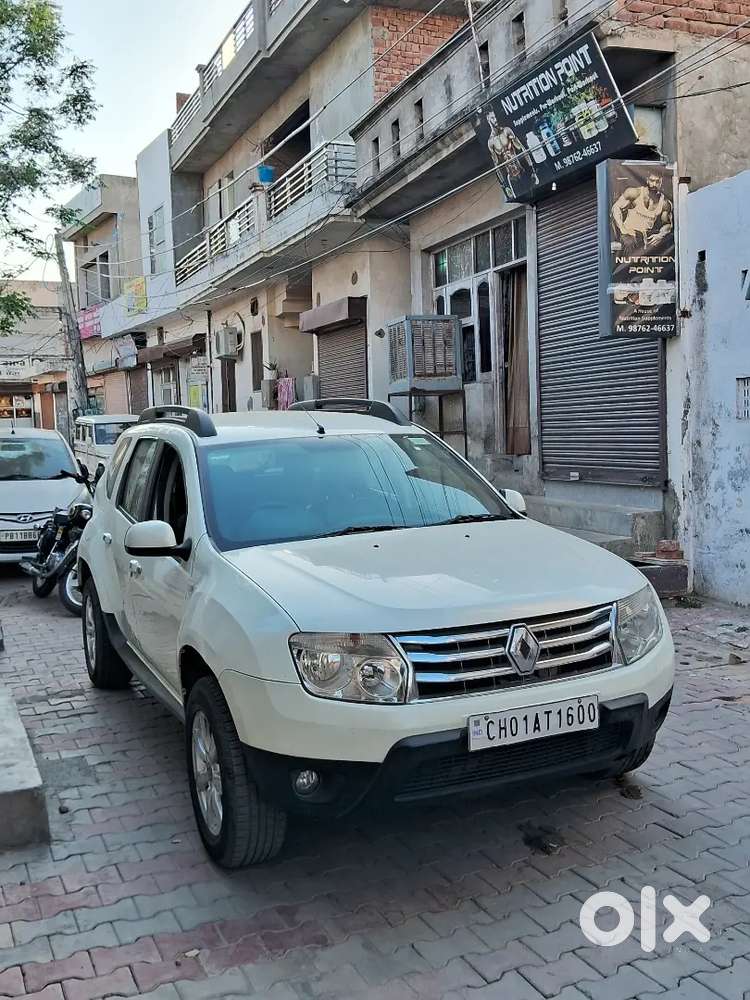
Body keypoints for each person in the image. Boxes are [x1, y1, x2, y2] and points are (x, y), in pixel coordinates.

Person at [611, 170, 673, 254]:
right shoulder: (634, 193)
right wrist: (622, 228)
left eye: (657, 181)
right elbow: (616, 208)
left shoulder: (665, 203)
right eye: (652, 180)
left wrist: (660, 235)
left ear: (661, 182)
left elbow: (667, 224)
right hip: (629, 233)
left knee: (664, 244)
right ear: (647, 180)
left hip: (645, 235)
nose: (654, 184)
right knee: (629, 243)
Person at [486, 110, 539, 200]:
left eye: (495, 117)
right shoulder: (491, 142)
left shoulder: (506, 131)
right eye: (492, 118)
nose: (495, 120)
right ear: (488, 119)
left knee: (535, 195)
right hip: (511, 178)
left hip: (522, 170)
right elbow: (497, 165)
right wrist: (504, 185)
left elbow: (522, 149)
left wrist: (532, 169)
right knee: (521, 200)